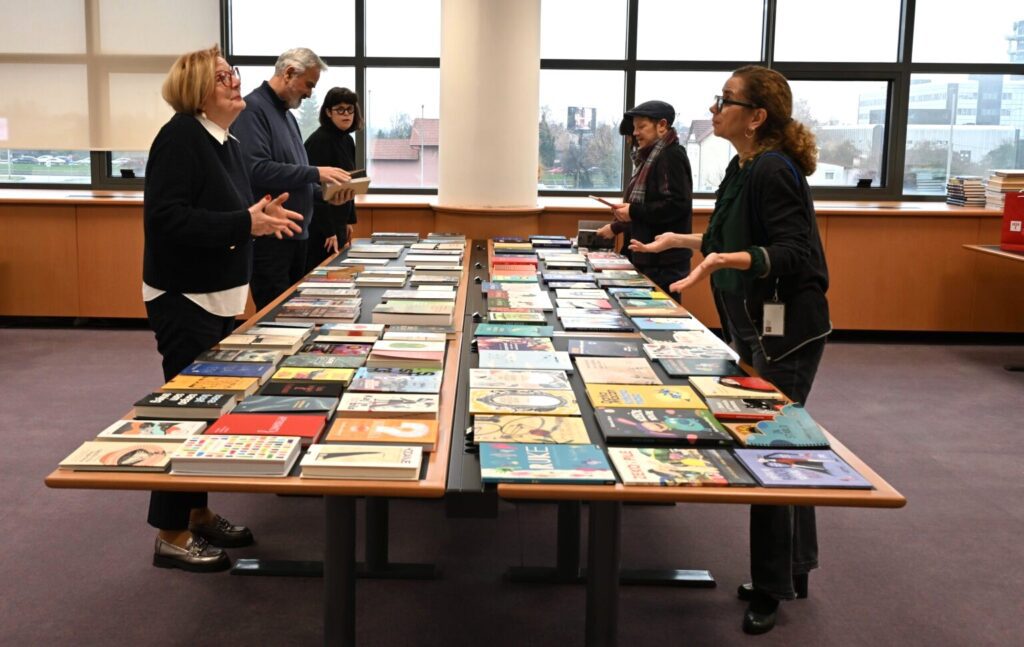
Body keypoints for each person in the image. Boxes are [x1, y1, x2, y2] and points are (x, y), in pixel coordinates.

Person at [629, 66, 831, 634]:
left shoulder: (774, 170)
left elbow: (791, 252)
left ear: (757, 115)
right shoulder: (742, 166)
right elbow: (725, 236)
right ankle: (792, 567)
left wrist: (719, 262)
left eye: (726, 101)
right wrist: (684, 242)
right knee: (790, 439)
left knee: (768, 448)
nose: (715, 109)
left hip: (787, 328)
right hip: (749, 322)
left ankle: (771, 586)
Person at [143, 45, 303, 572]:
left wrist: (256, 216)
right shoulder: (179, 139)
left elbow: (231, 212)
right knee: (188, 415)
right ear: (195, 91)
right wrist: (244, 223)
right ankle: (170, 532)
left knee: (212, 412)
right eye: (221, 78)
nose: (235, 83)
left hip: (217, 297)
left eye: (233, 75)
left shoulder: (225, 141)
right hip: (184, 298)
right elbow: (170, 219)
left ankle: (197, 512)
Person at [233, 47, 354, 311]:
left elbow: (296, 177)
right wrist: (316, 172)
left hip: (298, 239)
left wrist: (326, 195)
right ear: (289, 73)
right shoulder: (252, 110)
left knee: (295, 319)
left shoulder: (287, 116)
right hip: (271, 240)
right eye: (309, 84)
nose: (310, 93)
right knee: (275, 319)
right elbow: (256, 168)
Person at [596, 100, 692, 297]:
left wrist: (631, 211)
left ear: (662, 126)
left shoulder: (669, 156)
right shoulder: (649, 157)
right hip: (648, 257)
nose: (635, 133)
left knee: (661, 319)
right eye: (634, 128)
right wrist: (617, 225)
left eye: (641, 127)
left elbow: (675, 205)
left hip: (664, 262)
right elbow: (646, 208)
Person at [303, 87, 362, 272]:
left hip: (338, 220)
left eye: (350, 109)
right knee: (322, 276)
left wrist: (348, 221)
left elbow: (348, 182)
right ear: (328, 112)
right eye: (340, 109)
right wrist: (329, 230)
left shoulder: (347, 140)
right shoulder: (319, 141)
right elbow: (314, 189)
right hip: (320, 225)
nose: (346, 114)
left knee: (338, 274)